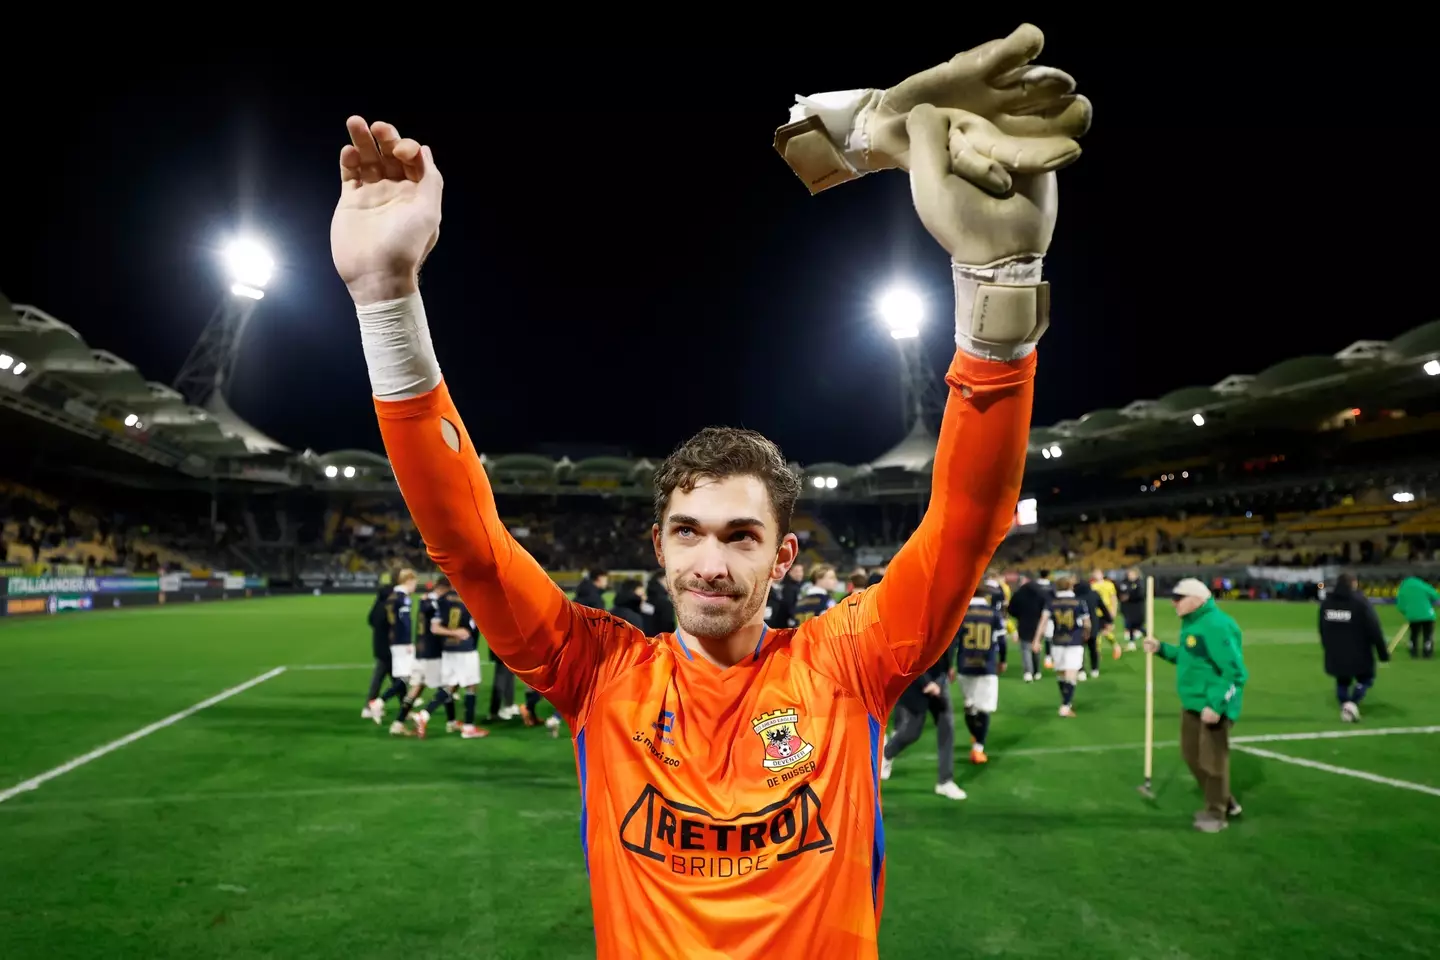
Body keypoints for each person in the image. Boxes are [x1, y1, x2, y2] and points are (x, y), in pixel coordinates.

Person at [329, 26, 1085, 953]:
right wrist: (385, 296)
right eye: (688, 531)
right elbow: (470, 548)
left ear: (784, 555)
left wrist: (999, 290)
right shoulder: (600, 674)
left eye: (740, 535)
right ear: (658, 546)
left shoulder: (847, 665)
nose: (710, 562)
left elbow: (967, 523)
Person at [1144, 578, 1247, 833]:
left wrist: (1217, 705)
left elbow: (1235, 673)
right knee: (1191, 756)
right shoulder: (1192, 623)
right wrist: (1161, 649)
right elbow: (1189, 657)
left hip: (1213, 705)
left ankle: (1216, 814)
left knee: (1212, 761)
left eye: (1179, 598)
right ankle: (1226, 801)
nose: (1173, 603)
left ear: (1197, 600)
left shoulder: (1216, 625)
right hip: (1193, 703)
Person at [880, 648, 966, 800]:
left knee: (946, 726)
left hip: (938, 680)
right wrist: (926, 683)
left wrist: (944, 674)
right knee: (912, 731)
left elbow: (949, 649)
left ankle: (945, 781)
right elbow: (910, 656)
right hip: (915, 680)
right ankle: (886, 753)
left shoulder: (952, 631)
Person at [1319, 572, 1390, 722]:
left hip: (1336, 652)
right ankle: (1352, 702)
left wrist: (1327, 647)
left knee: (1342, 680)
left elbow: (1322, 628)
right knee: (1366, 678)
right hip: (1360, 652)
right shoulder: (1360, 603)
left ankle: (1345, 704)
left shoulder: (1327, 603)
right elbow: (1374, 628)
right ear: (1353, 583)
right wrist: (1383, 653)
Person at [954, 582, 1006, 764]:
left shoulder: (960, 613)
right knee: (984, 709)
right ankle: (978, 747)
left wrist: (949, 666)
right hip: (986, 665)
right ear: (986, 595)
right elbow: (1002, 641)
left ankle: (976, 735)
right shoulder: (994, 613)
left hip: (965, 664)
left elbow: (952, 642)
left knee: (970, 706)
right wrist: (1003, 660)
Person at [1046, 575, 1089, 715]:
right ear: (1071, 586)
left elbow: (1043, 621)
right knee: (1072, 671)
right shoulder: (1079, 602)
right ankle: (1065, 705)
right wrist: (1086, 634)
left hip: (1057, 640)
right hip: (1074, 640)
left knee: (1061, 672)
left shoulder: (1051, 602)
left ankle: (1065, 701)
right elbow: (1087, 623)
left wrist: (1036, 639)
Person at [361, 581, 404, 722]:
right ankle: (369, 707)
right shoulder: (388, 608)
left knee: (395, 678)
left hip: (379, 646)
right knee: (391, 678)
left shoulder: (377, 606)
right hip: (388, 648)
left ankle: (404, 706)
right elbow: (394, 626)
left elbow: (370, 621)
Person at [1395, 574, 1438, 658]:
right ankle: (1427, 652)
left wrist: (1407, 612)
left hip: (1413, 615)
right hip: (1427, 615)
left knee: (1414, 634)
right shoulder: (1423, 585)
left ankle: (1413, 652)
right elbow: (1435, 596)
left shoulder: (1402, 589)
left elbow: (1400, 606)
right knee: (1427, 634)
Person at [1090, 567, 1121, 662]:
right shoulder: (1092, 586)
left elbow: (1113, 598)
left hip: (1107, 612)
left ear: (1102, 574)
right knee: (1097, 633)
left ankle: (1116, 646)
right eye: (1095, 574)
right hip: (1096, 612)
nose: (1097, 575)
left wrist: (1114, 610)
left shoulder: (1109, 584)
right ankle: (1098, 653)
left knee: (1106, 631)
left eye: (1098, 573)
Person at [1116, 567, 1145, 651]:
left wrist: (1129, 597)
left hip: (1136, 608)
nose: (1130, 576)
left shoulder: (1139, 583)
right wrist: (1121, 597)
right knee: (1129, 625)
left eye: (1132, 574)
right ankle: (1131, 643)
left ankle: (1148, 637)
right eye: (1129, 574)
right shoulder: (1124, 583)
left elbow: (1140, 594)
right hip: (1126, 608)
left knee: (1137, 626)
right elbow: (1119, 592)